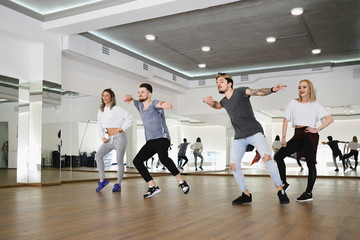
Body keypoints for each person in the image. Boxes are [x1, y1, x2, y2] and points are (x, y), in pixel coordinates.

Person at [203, 72, 289, 205]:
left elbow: (258, 92)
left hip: (254, 132)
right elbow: (217, 105)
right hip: (239, 137)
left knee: (267, 158)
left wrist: (272, 90)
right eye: (217, 83)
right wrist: (207, 102)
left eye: (221, 81)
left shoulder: (241, 91)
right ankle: (246, 194)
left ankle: (280, 189)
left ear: (229, 83)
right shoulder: (224, 101)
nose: (218, 84)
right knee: (233, 165)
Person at [123, 83, 190, 198]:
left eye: (142, 92)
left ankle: (182, 181)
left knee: (163, 158)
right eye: (138, 92)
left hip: (162, 138)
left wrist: (165, 104)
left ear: (149, 94)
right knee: (137, 161)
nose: (140, 94)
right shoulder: (139, 105)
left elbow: (160, 104)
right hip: (150, 141)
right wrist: (128, 98)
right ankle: (153, 186)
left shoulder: (154, 103)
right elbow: (131, 100)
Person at [274, 79, 333, 202]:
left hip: (309, 135)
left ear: (309, 89)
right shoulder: (293, 103)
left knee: (311, 164)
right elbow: (285, 120)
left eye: (304, 87)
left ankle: (308, 193)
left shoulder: (315, 105)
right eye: (300, 87)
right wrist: (283, 137)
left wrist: (317, 130)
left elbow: (330, 119)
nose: (301, 89)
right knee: (278, 156)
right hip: (297, 134)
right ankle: (284, 183)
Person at [95, 88, 133, 192]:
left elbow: (129, 117)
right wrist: (102, 136)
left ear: (111, 97)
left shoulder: (116, 108)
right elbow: (99, 123)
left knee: (119, 162)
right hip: (109, 139)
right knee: (98, 155)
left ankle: (118, 184)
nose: (105, 97)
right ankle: (102, 180)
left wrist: (123, 127)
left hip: (120, 137)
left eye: (107, 95)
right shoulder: (101, 110)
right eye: (103, 96)